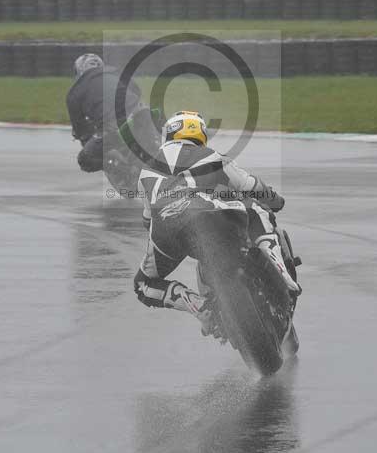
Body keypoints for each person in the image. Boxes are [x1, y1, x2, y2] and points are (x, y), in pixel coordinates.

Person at [134, 110, 300, 337]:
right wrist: (276, 201)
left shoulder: (146, 172)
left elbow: (147, 219)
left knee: (143, 284)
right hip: (211, 215)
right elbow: (251, 186)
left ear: (169, 134)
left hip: (167, 231)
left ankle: (199, 307)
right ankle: (281, 272)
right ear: (199, 132)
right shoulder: (212, 156)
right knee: (256, 207)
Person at [66, 53, 141, 172]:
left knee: (85, 160)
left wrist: (87, 140)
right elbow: (137, 90)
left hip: (114, 125)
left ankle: (128, 170)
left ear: (79, 70)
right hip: (140, 111)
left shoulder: (75, 92)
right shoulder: (116, 72)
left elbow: (80, 128)